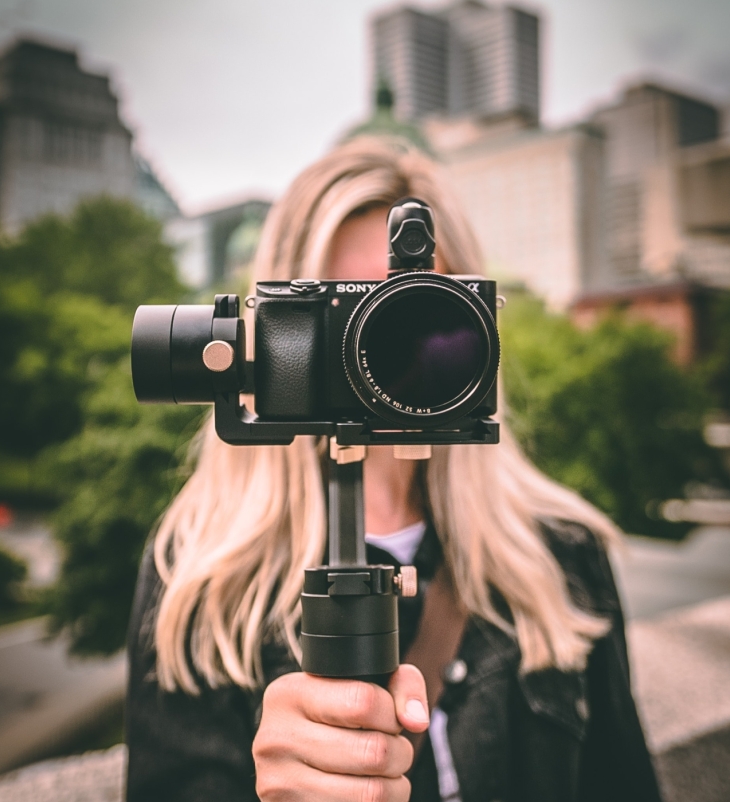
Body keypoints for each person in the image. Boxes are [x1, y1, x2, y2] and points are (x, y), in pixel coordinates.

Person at [125, 137, 662, 802]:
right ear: (272, 333)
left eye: (416, 308)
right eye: (350, 313)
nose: (387, 351)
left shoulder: (561, 552)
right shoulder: (198, 571)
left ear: (478, 324)